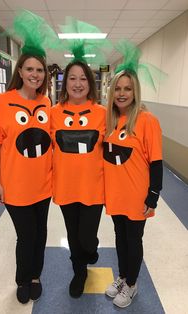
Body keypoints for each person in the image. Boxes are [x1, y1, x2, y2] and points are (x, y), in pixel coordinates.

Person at [0, 10, 56, 304]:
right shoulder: (2, 102)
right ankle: (22, 278)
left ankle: (35, 275)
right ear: (20, 71)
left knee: (40, 235)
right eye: (30, 69)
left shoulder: (47, 102)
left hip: (44, 185)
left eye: (40, 71)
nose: (35, 75)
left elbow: (52, 142)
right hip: (15, 187)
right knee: (26, 236)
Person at [103, 67, 163, 308]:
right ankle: (123, 276)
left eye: (127, 88)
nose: (122, 93)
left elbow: (156, 161)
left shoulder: (147, 120)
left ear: (135, 91)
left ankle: (132, 283)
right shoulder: (111, 120)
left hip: (137, 195)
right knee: (120, 237)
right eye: (117, 88)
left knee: (133, 239)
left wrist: (153, 196)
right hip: (116, 194)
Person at [51, 60, 106, 298]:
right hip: (65, 187)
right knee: (73, 234)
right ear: (65, 82)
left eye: (83, 78)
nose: (77, 83)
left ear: (90, 83)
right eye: (72, 78)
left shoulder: (103, 113)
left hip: (94, 188)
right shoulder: (53, 113)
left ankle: (90, 248)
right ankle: (79, 272)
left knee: (86, 237)